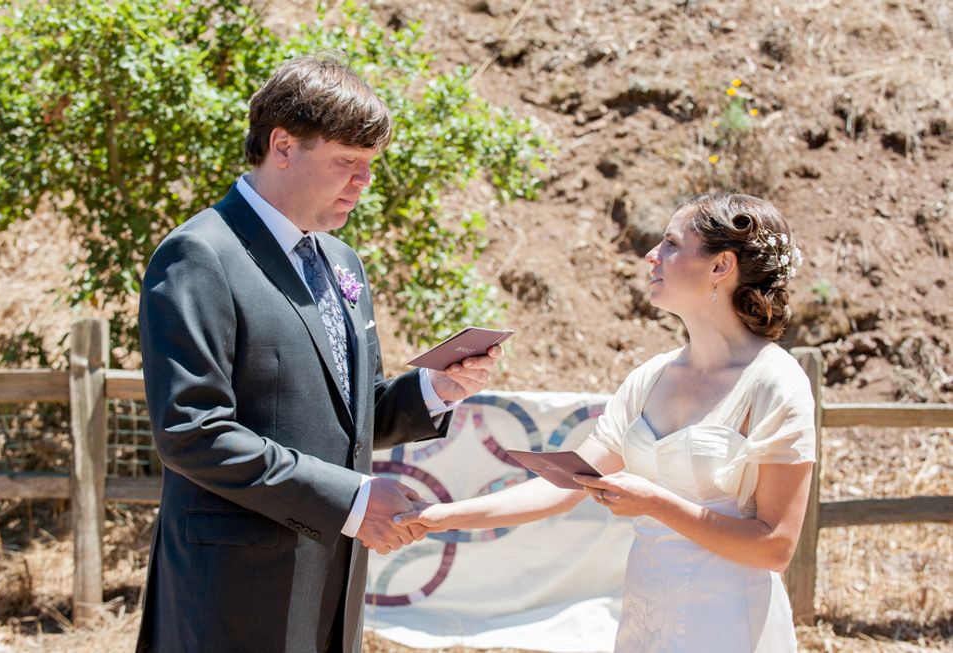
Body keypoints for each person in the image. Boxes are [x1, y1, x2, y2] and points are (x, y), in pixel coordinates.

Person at [136, 53, 501, 653]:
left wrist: (435, 389)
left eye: (370, 165)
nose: (364, 181)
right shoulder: (200, 255)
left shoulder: (340, 260)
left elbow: (349, 416)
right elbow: (192, 432)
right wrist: (353, 500)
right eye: (347, 161)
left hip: (333, 580)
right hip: (234, 592)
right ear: (282, 145)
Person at [399, 192, 815, 652]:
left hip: (730, 623)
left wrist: (655, 503)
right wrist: (438, 516)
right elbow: (562, 487)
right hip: (646, 612)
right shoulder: (650, 378)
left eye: (672, 244)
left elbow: (775, 547)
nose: (651, 255)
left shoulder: (775, 382)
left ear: (721, 266)